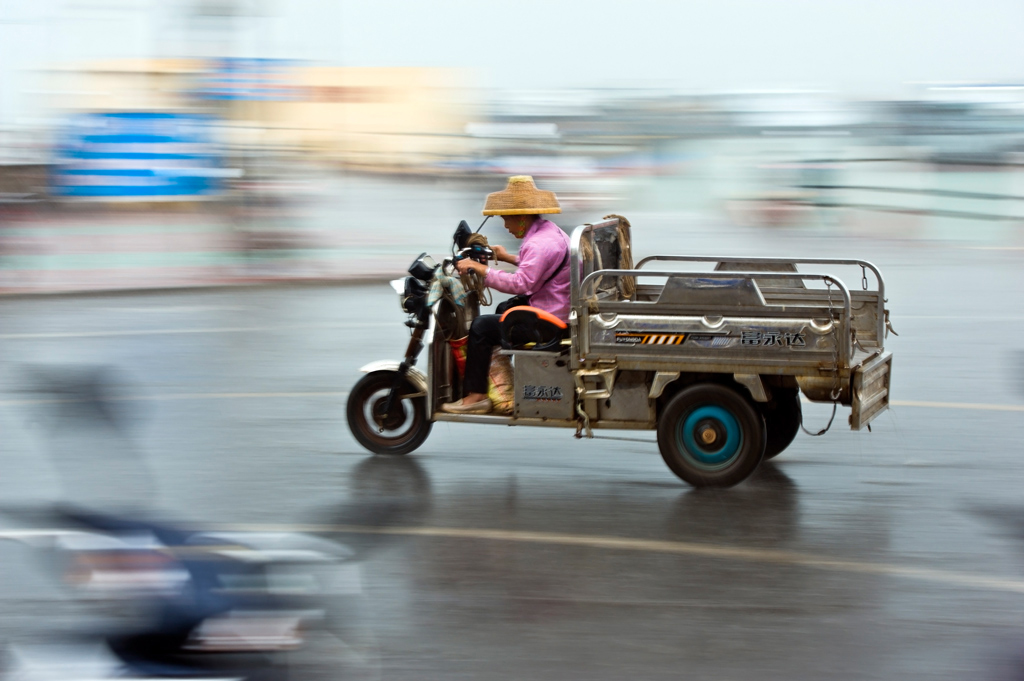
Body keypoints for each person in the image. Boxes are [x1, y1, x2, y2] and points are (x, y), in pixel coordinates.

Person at [442, 176, 570, 414]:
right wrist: (508, 257)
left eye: (506, 218)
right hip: (557, 309)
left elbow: (521, 283)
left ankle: (477, 396)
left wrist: (482, 270)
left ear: (521, 217)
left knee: (481, 327)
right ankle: (505, 384)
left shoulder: (538, 244)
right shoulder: (549, 233)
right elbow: (541, 266)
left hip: (551, 322)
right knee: (504, 311)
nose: (505, 226)